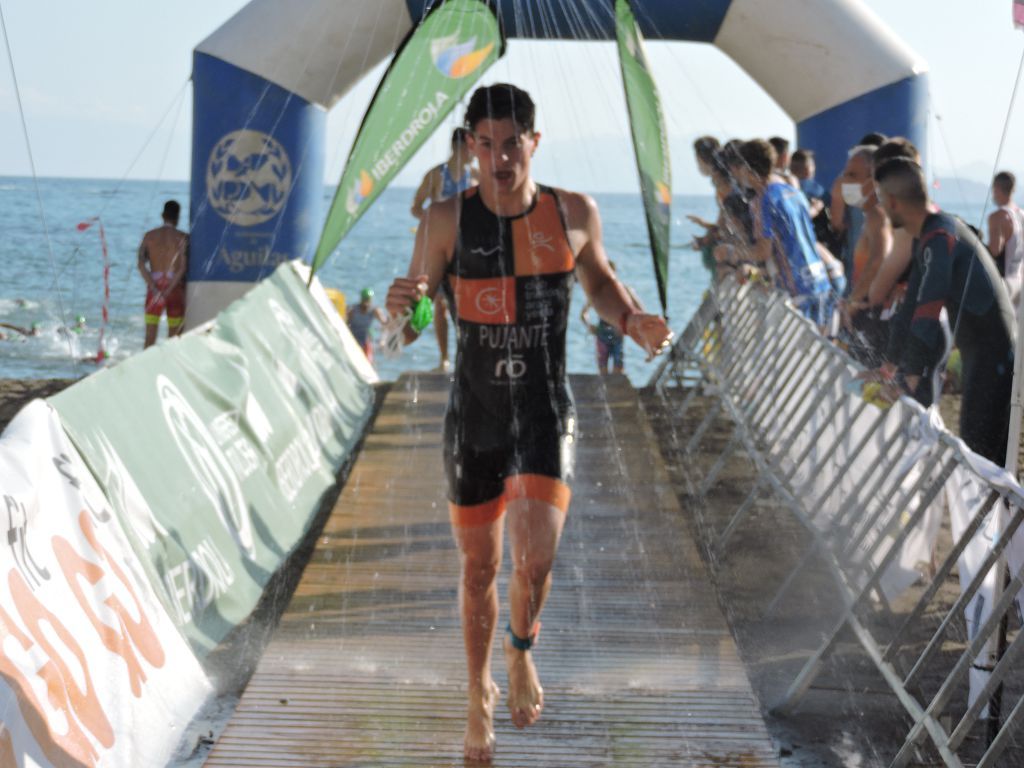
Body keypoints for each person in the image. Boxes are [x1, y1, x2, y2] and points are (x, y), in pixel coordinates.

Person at [385, 83, 671, 763]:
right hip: (474, 418)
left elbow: (598, 282)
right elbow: (419, 316)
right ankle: (477, 690)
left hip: (545, 411)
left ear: (533, 143)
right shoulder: (443, 219)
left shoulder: (571, 212)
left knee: (535, 557)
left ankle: (520, 651)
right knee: (480, 566)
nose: (499, 157)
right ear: (469, 147)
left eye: (512, 143)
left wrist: (629, 320)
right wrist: (404, 310)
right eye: (485, 144)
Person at [873, 158, 1015, 461]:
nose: (881, 209)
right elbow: (912, 304)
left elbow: (928, 307)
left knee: (982, 452)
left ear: (893, 202)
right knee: (977, 446)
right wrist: (889, 363)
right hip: (980, 352)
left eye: (881, 200)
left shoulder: (941, 237)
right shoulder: (929, 235)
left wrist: (909, 374)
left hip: (995, 355)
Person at [737, 139, 832, 324]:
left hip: (796, 287)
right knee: (822, 345)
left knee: (803, 349)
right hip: (818, 278)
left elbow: (763, 251)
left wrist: (732, 253)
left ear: (747, 169)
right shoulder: (793, 192)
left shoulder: (765, 200)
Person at [411, 128, 479, 371]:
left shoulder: (476, 176)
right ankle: (444, 358)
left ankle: (466, 357)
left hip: (469, 248)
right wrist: (433, 224)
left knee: (466, 305)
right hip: (440, 249)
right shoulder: (436, 175)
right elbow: (416, 207)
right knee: (439, 304)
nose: (475, 152)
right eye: (472, 146)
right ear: (460, 147)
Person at [138, 200, 188, 349]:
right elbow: (182, 268)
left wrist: (154, 288)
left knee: (150, 337)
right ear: (178, 217)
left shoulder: (149, 236)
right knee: (174, 339)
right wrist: (168, 289)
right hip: (175, 289)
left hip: (154, 288)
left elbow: (141, 265)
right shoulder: (183, 238)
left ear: (162, 215)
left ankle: (146, 369)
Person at [579, 261, 642, 375]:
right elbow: (583, 314)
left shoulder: (624, 290)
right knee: (603, 371)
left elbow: (640, 310)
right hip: (602, 334)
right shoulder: (598, 292)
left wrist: (627, 327)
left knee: (619, 370)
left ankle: (615, 391)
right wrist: (590, 326)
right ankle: (604, 392)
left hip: (618, 335)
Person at [987, 171, 1024, 310]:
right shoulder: (1021, 215)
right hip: (1020, 282)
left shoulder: (998, 217)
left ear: (996, 188)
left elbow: (994, 251)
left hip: (1005, 284)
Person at [346, 287, 387, 364]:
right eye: (365, 299)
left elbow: (385, 324)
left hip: (366, 339)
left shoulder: (374, 310)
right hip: (353, 337)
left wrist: (383, 340)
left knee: (368, 362)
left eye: (368, 299)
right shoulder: (353, 310)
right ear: (361, 299)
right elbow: (345, 325)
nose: (366, 302)